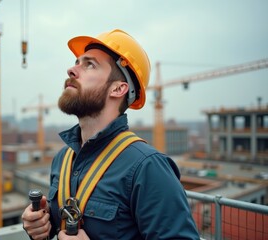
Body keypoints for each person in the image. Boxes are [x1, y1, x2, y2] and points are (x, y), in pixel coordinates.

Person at [22, 29, 200, 240]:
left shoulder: (148, 168)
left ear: (118, 89)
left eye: (89, 64)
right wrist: (41, 226)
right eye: (77, 62)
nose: (71, 70)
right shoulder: (63, 159)